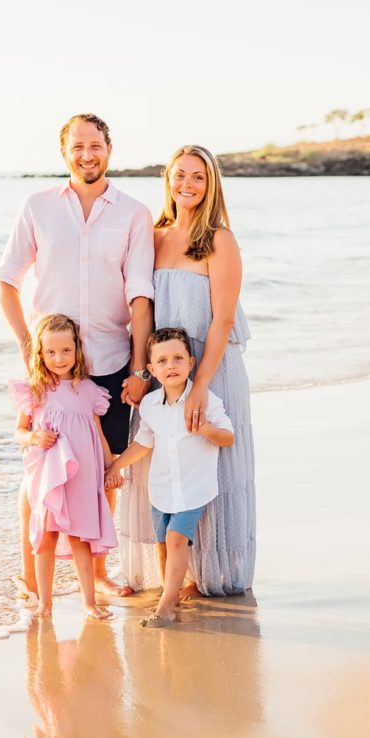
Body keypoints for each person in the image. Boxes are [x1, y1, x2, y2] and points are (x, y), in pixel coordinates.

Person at [0, 113, 155, 599]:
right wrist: (29, 350)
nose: (88, 154)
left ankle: (100, 576)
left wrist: (139, 368)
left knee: (102, 475)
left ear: (110, 148)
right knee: (36, 470)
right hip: (50, 366)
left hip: (108, 363)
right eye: (78, 146)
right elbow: (7, 281)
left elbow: (140, 296)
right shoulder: (37, 207)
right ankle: (30, 577)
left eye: (96, 145)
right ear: (64, 151)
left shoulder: (134, 213)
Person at [118, 144, 255, 597]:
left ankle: (210, 573)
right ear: (168, 180)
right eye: (180, 175)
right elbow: (141, 307)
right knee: (159, 459)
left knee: (211, 461)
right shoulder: (153, 235)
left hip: (210, 364)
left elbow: (223, 320)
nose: (188, 185)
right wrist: (140, 372)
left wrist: (200, 388)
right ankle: (172, 574)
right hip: (164, 366)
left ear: (211, 184)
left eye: (198, 177)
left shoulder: (220, 239)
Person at [105, 327, 234, 626]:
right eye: (162, 361)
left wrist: (207, 430)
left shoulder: (205, 399)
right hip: (161, 487)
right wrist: (115, 466)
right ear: (151, 369)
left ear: (191, 362)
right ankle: (170, 592)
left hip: (193, 487)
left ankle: (165, 607)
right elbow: (143, 442)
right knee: (163, 544)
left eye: (177, 358)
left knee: (177, 539)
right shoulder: (150, 405)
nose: (170, 365)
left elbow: (228, 437)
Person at [11, 313, 117, 620]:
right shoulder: (36, 389)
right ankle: (45, 603)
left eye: (66, 351)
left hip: (83, 475)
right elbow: (18, 431)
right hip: (47, 473)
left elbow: (97, 432)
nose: (59, 358)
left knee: (80, 538)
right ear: (40, 354)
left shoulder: (88, 390)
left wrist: (111, 466)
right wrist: (34, 436)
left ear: (77, 350)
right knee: (46, 537)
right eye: (51, 352)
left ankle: (89, 602)